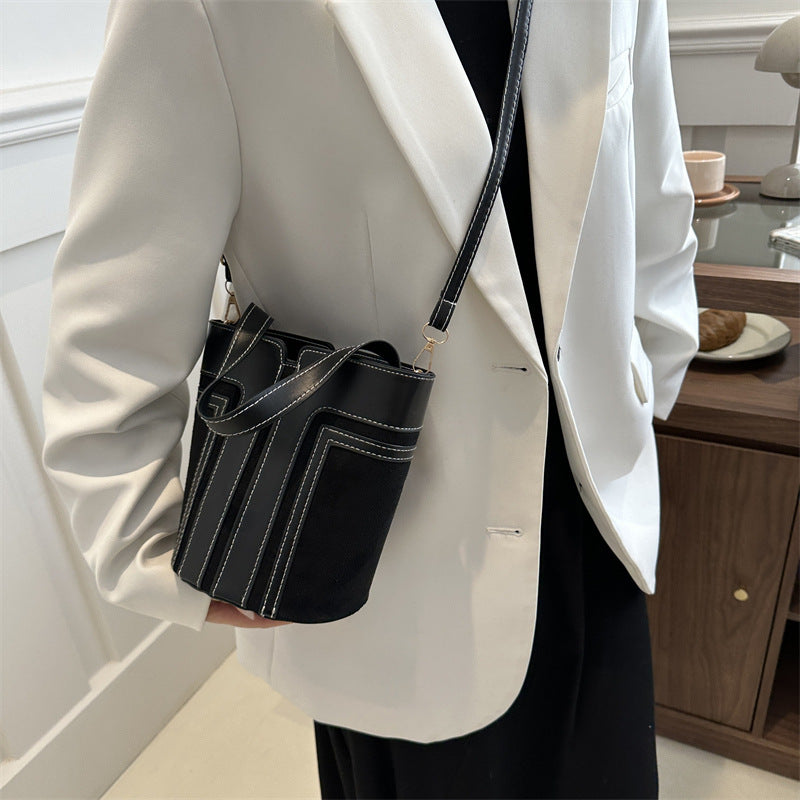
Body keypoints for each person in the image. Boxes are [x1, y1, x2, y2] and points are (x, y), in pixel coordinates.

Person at [40, 0, 699, 797]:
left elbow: (653, 188)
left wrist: (649, 382)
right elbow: (113, 324)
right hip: (389, 570)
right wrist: (154, 553)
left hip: (601, 514)